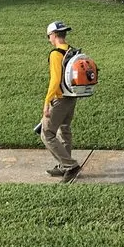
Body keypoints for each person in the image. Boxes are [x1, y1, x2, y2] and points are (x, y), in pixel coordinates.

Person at [42, 20, 81, 183]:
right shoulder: (72, 51)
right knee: (64, 129)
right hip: (72, 97)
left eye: (49, 36)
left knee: (47, 133)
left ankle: (70, 165)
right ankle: (64, 165)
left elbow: (55, 79)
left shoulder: (55, 54)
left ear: (54, 35)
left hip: (59, 99)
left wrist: (47, 101)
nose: (49, 39)